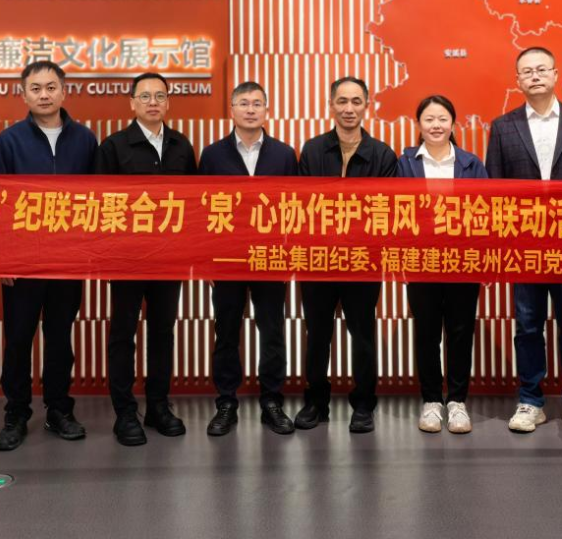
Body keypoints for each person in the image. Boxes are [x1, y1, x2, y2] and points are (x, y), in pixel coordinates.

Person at [485, 47, 562, 439]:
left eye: (541, 69)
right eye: (526, 71)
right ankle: (530, 400)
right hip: (524, 247)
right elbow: (495, 191)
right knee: (527, 325)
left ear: (555, 74)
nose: (534, 76)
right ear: (517, 80)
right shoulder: (503, 127)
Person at [0, 61, 98, 450]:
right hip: (22, 261)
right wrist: (2, 257)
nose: (44, 95)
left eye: (51, 87)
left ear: (64, 92)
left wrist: (88, 253)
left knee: (59, 338)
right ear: (24, 95)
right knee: (18, 338)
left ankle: (59, 410)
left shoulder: (85, 140)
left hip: (68, 259)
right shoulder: (8, 141)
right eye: (35, 88)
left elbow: (98, 201)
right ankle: (16, 414)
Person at [94, 72, 197, 446]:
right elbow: (99, 204)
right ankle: (124, 413)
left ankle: (158, 406)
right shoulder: (114, 146)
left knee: (163, 332)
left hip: (169, 258)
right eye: (145, 96)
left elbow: (194, 204)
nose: (153, 102)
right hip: (126, 258)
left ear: (168, 102)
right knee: (123, 333)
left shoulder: (182, 146)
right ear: (132, 103)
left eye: (160, 96)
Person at [294, 76, 398, 433]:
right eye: (342, 101)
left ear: (366, 105)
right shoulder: (312, 150)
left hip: (363, 261)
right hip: (317, 260)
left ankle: (364, 404)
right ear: (330, 105)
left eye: (356, 101)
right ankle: (316, 402)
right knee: (317, 334)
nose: (349, 108)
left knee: (363, 334)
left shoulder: (382, 154)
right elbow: (302, 206)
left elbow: (386, 211)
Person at [198, 81, 298, 436]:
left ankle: (271, 401)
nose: (251, 109)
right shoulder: (212, 155)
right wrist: (207, 258)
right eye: (244, 103)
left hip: (270, 257)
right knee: (226, 331)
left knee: (272, 330)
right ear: (232, 110)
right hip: (226, 258)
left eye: (257, 103)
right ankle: (226, 402)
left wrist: (289, 255)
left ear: (267, 110)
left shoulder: (284, 154)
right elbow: (202, 209)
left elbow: (295, 207)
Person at [397, 95, 486, 434]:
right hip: (420, 261)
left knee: (461, 332)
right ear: (419, 124)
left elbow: (488, 211)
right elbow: (392, 210)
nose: (436, 125)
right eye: (429, 119)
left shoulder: (471, 163)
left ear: (453, 123)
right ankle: (432, 400)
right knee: (427, 332)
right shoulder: (405, 162)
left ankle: (457, 401)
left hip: (464, 261)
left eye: (442, 119)